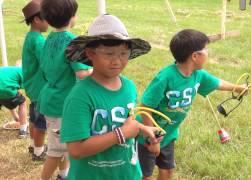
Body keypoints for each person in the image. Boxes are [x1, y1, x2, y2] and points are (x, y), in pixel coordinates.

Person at [137, 29, 248, 180]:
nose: (208, 53)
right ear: (195, 56)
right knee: (145, 174)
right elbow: (144, 108)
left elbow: (218, 83)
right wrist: (152, 139)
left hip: (168, 135)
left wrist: (238, 88)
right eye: (206, 50)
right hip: (147, 136)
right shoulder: (166, 78)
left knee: (167, 170)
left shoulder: (198, 75)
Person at [60, 14, 159, 180]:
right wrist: (121, 134)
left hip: (127, 173)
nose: (117, 61)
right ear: (91, 53)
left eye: (123, 54)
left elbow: (126, 122)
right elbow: (76, 149)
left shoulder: (129, 87)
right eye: (109, 54)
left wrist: (143, 130)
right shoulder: (80, 96)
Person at [38, 0, 92, 179]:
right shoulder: (72, 41)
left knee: (61, 145)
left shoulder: (48, 39)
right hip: (62, 104)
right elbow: (83, 73)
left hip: (49, 98)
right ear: (72, 17)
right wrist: (93, 69)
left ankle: (63, 175)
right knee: (55, 150)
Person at [21, 0, 48, 161]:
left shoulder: (31, 36)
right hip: (41, 88)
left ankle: (33, 145)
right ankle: (39, 152)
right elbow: (47, 63)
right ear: (37, 20)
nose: (50, 21)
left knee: (34, 118)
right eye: (47, 17)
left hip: (32, 86)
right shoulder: (38, 40)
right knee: (41, 124)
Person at [0, 64, 28, 138]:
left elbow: (10, 100)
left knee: (9, 98)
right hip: (6, 89)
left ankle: (16, 117)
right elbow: (27, 88)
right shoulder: (23, 71)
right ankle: (23, 130)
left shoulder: (9, 69)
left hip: (4, 88)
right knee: (22, 102)